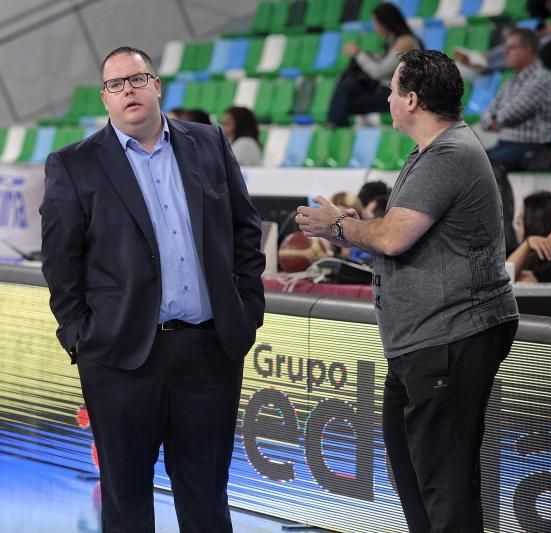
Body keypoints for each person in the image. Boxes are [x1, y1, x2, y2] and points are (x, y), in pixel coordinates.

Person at [40, 46, 265, 532]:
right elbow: (61, 264)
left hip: (209, 351)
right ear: (105, 98)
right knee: (125, 499)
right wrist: (81, 337)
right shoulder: (74, 164)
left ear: (156, 85)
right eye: (115, 85)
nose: (128, 91)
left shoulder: (209, 143)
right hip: (119, 358)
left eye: (136, 79)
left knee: (206, 497)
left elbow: (246, 231)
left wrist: (246, 312)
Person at [296, 50, 519, 532]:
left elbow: (394, 236)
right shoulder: (432, 153)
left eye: (393, 89)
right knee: (414, 473)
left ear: (412, 99)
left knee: (444, 486)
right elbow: (397, 234)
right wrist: (348, 231)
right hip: (423, 341)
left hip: (448, 337)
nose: (388, 97)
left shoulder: (451, 153)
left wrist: (338, 224)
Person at [327, 2, 421, 127]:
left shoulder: (405, 41)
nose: (375, 27)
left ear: (386, 22)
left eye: (376, 23)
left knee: (343, 102)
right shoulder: (393, 40)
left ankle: (333, 127)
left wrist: (358, 54)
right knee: (345, 91)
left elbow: (380, 71)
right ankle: (334, 125)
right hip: (388, 91)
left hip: (400, 95)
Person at [481, 28, 551, 171]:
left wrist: (496, 120)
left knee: (483, 167)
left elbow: (511, 115)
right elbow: (486, 116)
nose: (505, 52)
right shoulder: (511, 81)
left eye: (511, 48)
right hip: (505, 144)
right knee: (466, 162)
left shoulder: (541, 80)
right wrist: (493, 120)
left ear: (527, 50)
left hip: (532, 147)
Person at [507, 191, 551, 281]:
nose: (550, 236)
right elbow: (507, 275)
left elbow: (506, 279)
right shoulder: (550, 270)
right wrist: (528, 243)